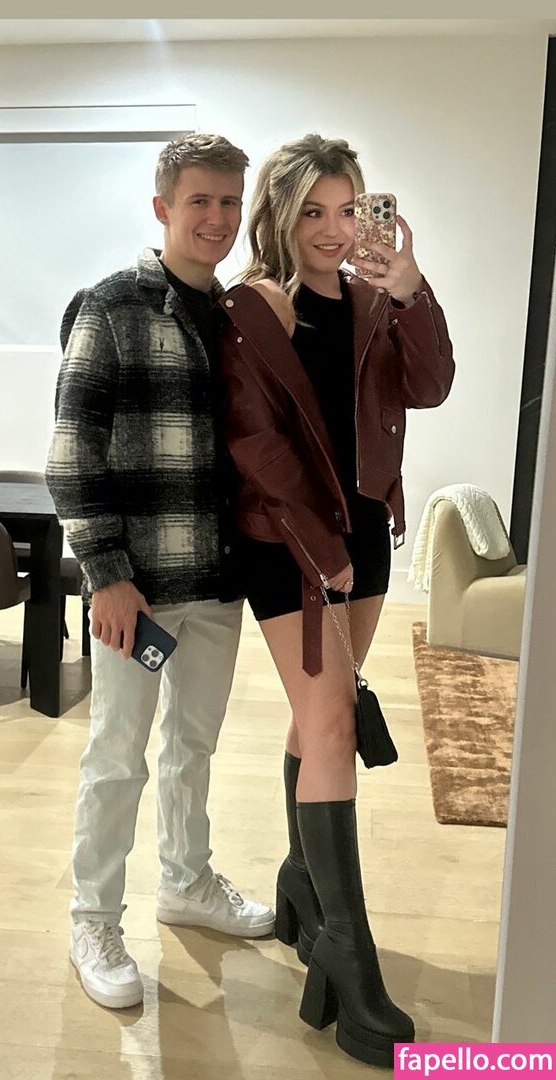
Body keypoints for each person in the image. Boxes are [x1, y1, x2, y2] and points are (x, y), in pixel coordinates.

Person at [218, 133, 454, 1066]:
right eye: (310, 211)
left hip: (363, 535)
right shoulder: (252, 308)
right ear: (279, 216)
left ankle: (299, 888)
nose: (331, 229)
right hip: (287, 542)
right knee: (330, 724)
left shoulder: (374, 300)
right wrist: (323, 555)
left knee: (316, 716)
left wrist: (411, 289)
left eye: (347, 209)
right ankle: (351, 969)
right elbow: (255, 444)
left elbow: (429, 387)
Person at [46, 133, 275, 1012]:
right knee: (118, 757)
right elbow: (72, 455)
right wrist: (104, 573)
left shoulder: (239, 316)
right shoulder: (111, 306)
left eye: (229, 201)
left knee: (193, 746)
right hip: (135, 597)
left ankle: (186, 882)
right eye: (199, 200)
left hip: (217, 586)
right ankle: (94, 919)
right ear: (163, 208)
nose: (216, 218)